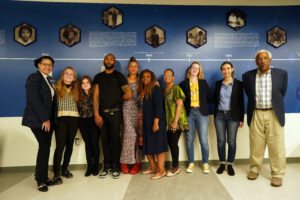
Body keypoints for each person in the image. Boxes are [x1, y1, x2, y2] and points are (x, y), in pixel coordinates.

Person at [242, 50, 288, 187]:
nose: (262, 61)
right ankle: (254, 169)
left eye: (265, 58)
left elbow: (281, 93)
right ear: (256, 61)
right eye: (259, 59)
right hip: (256, 113)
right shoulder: (247, 76)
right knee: (256, 144)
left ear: (270, 60)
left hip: (274, 113)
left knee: (277, 145)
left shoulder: (281, 74)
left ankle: (277, 174)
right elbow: (249, 95)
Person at [93, 54, 132, 179]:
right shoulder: (98, 77)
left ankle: (116, 167)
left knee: (115, 140)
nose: (109, 61)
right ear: (104, 61)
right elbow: (95, 96)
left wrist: (117, 99)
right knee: (104, 140)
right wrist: (96, 114)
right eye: (107, 59)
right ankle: (107, 166)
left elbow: (129, 93)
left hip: (116, 113)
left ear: (114, 62)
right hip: (102, 114)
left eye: (111, 59)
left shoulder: (119, 76)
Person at [22, 55, 56, 192]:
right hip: (39, 121)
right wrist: (45, 119)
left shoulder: (47, 79)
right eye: (44, 64)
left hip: (47, 120)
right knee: (44, 148)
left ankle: (42, 176)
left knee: (45, 148)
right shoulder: (34, 78)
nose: (47, 67)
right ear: (38, 65)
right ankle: (41, 181)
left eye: (50, 65)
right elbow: (34, 100)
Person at [179, 61, 212, 174]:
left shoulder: (203, 83)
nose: (194, 70)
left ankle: (205, 163)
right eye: (193, 67)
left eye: (197, 68)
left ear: (199, 71)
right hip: (189, 114)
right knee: (189, 139)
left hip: (201, 113)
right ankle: (191, 162)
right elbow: (179, 99)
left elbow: (210, 98)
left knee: (203, 139)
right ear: (190, 69)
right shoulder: (183, 83)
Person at [214, 61, 244, 176]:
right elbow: (214, 99)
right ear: (221, 71)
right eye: (223, 69)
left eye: (228, 68)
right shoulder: (218, 84)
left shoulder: (238, 84)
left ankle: (230, 164)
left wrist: (241, 119)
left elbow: (241, 102)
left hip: (233, 116)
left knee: (231, 141)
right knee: (221, 141)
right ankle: (222, 163)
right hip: (220, 116)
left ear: (232, 69)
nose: (226, 71)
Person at [138, 69, 168, 180]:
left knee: (158, 146)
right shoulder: (142, 90)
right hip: (144, 123)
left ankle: (162, 171)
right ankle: (154, 168)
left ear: (152, 78)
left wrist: (156, 123)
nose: (145, 79)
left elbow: (159, 107)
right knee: (147, 146)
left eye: (148, 77)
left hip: (155, 121)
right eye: (143, 77)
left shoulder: (155, 89)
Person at [53, 66, 80, 184]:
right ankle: (56, 173)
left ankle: (65, 169)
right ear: (62, 75)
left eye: (71, 74)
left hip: (74, 119)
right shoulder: (56, 88)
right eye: (66, 73)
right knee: (60, 146)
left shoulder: (77, 89)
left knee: (69, 145)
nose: (68, 76)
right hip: (61, 120)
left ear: (74, 78)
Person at [163, 69, 189, 177]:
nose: (167, 77)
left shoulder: (176, 88)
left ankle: (176, 167)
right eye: (165, 75)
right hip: (168, 122)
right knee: (170, 143)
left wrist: (175, 122)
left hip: (176, 122)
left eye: (169, 75)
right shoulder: (165, 89)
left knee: (173, 144)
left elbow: (179, 105)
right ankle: (174, 165)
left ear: (173, 77)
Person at [120, 57, 143, 175]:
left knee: (139, 136)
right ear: (128, 68)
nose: (133, 68)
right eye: (131, 66)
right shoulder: (123, 80)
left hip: (139, 111)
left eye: (135, 66)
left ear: (138, 68)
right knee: (129, 135)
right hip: (127, 110)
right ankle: (124, 161)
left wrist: (155, 82)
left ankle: (137, 163)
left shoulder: (141, 80)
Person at [78, 75, 100, 177]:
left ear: (91, 84)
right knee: (88, 143)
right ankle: (89, 167)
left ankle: (96, 166)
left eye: (87, 82)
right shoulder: (78, 95)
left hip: (93, 120)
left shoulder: (95, 94)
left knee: (94, 143)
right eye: (83, 83)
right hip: (83, 121)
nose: (85, 84)